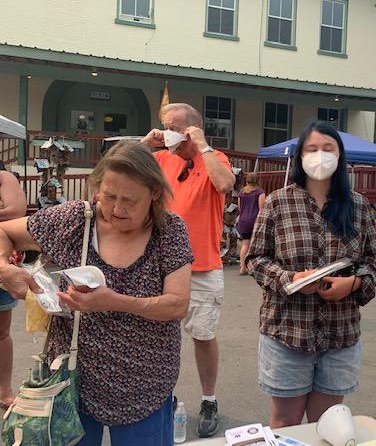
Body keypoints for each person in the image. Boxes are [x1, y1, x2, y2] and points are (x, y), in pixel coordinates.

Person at [0, 141, 193, 445]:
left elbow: (177, 304)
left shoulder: (169, 231)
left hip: (145, 388)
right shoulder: (76, 220)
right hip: (69, 387)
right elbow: (5, 231)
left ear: (155, 193)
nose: (117, 209)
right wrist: (4, 267)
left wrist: (112, 302)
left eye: (129, 200)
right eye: (109, 196)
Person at [246, 121, 376, 428]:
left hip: (340, 334)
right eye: (312, 149)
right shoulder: (277, 202)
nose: (320, 155)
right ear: (300, 157)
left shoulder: (358, 206)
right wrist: (289, 280)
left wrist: (353, 283)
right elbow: (256, 258)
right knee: (286, 422)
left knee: (327, 424)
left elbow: (374, 261)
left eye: (328, 148)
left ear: (340, 156)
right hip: (287, 332)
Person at [141, 103, 235, 437]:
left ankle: (209, 399)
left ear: (192, 129)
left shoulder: (215, 159)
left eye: (174, 127)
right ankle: (160, 395)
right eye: (164, 125)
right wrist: (144, 144)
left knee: (203, 335)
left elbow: (224, 184)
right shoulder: (161, 159)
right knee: (157, 335)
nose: (167, 131)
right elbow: (116, 172)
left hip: (202, 266)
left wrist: (203, 145)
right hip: (159, 265)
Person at [0, 166, 27, 409]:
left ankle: (3, 390)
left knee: (1, 332)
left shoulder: (3, 177)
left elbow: (16, 211)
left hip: (1, 263)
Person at [237, 173, 265, 274]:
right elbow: (262, 208)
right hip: (255, 220)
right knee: (255, 245)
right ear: (258, 181)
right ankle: (254, 267)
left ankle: (242, 267)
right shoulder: (260, 192)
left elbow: (240, 208)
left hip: (243, 220)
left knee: (245, 244)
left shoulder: (241, 192)